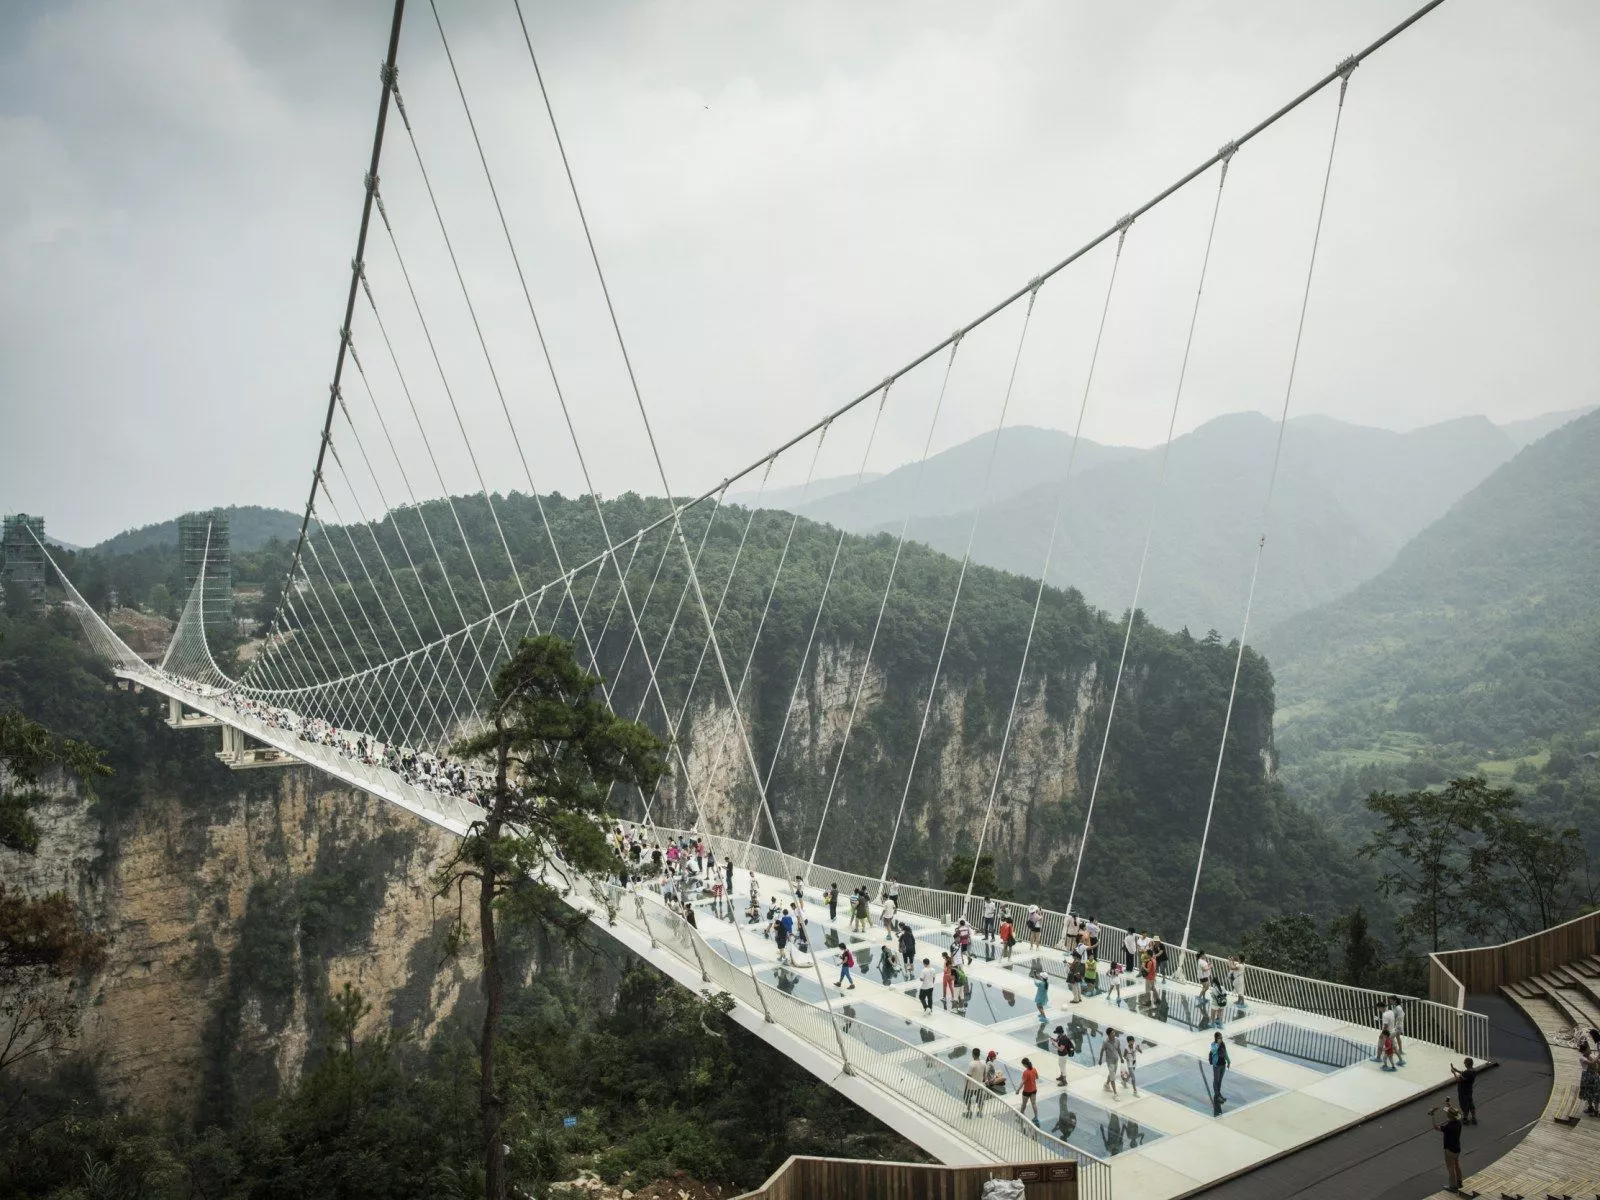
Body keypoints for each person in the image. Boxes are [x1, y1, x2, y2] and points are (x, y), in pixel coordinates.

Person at [1431, 1101, 1465, 1192]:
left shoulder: (1448, 1127)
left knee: (1451, 1168)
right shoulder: (1459, 1123)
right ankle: (1460, 1181)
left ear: (1449, 1117)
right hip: (1457, 1148)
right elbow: (1452, 1114)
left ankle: (1453, 1186)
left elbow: (1435, 1127)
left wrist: (1433, 1115)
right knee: (1457, 1165)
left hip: (1449, 1150)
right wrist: (1448, 1106)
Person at [1450, 1058, 1479, 1125]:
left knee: (1464, 1105)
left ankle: (1465, 1118)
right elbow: (1464, 1074)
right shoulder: (1474, 1071)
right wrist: (1457, 1070)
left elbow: (1458, 1080)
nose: (1464, 1063)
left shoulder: (1467, 1073)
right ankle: (1474, 1117)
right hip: (1469, 1090)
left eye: (1464, 1062)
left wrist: (1454, 1073)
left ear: (1466, 1064)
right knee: (1471, 1104)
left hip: (1463, 1091)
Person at [964, 1047, 987, 1118]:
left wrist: (966, 1086)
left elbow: (968, 1076)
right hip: (979, 1085)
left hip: (971, 1086)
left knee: (966, 1097)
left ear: (973, 1055)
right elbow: (984, 1074)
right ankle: (979, 1112)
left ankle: (969, 1111)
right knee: (980, 1099)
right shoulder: (983, 1063)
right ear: (979, 1054)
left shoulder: (972, 1064)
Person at [1099, 1028, 1122, 1096]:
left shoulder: (1117, 1040)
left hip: (1116, 1060)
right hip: (1110, 1061)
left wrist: (1121, 1058)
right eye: (1112, 1033)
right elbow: (1102, 1050)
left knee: (1112, 1073)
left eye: (1114, 1032)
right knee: (1112, 1077)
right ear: (1108, 1035)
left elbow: (1119, 1049)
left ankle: (1106, 1084)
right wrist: (1100, 1060)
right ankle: (1115, 1093)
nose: (1114, 1034)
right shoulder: (1105, 1042)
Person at [1208, 1032, 1229, 1104]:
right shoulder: (1213, 1044)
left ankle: (1219, 1094)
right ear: (1216, 1038)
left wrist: (1228, 1061)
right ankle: (1217, 1096)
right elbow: (1214, 1051)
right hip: (1216, 1065)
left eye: (1221, 1037)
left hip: (1223, 1064)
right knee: (1216, 1080)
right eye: (1219, 1038)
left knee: (1220, 1080)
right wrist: (1217, 1044)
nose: (1221, 1039)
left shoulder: (1223, 1044)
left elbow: (1225, 1053)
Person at [1019, 1057, 1040, 1122]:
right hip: (1034, 1090)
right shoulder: (1034, 1069)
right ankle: (1036, 1117)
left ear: (1025, 1064)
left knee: (1024, 1104)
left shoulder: (1025, 1072)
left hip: (1027, 1091)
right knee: (1034, 1104)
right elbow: (1037, 1077)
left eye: (1023, 1065)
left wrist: (1018, 1090)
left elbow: (1023, 1082)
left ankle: (1021, 1115)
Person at [1390, 995, 1408, 1066]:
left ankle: (1395, 1052)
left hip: (1398, 1026)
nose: (1390, 1001)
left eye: (1391, 1000)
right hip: (1399, 1026)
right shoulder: (1397, 1007)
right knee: (1397, 1037)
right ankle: (1400, 1050)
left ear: (1395, 1000)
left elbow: (1399, 1016)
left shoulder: (1397, 1008)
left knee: (1390, 1038)